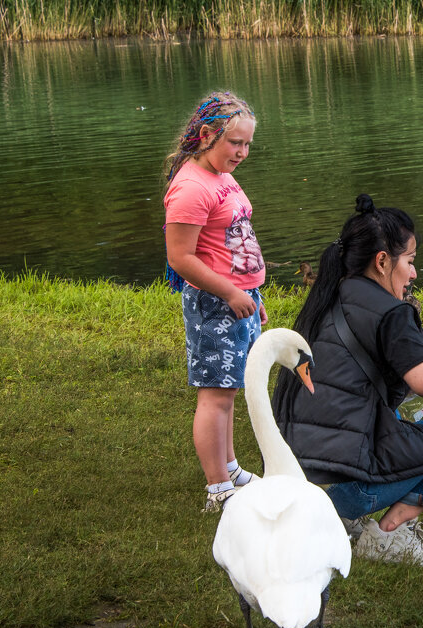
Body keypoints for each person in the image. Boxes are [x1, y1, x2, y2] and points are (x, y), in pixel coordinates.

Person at [272, 194, 423, 568]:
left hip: (295, 472)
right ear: (383, 261)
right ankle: (387, 531)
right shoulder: (390, 312)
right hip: (347, 482)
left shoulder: (330, 294)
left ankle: (340, 515)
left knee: (403, 426)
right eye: (411, 261)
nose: (414, 273)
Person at [163, 91, 268, 511]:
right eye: (234, 143)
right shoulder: (190, 186)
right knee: (215, 395)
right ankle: (218, 489)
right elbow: (180, 257)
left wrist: (251, 295)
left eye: (247, 144)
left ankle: (231, 468)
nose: (242, 152)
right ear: (207, 135)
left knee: (229, 390)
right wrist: (229, 292)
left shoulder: (220, 174)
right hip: (214, 306)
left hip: (239, 300)